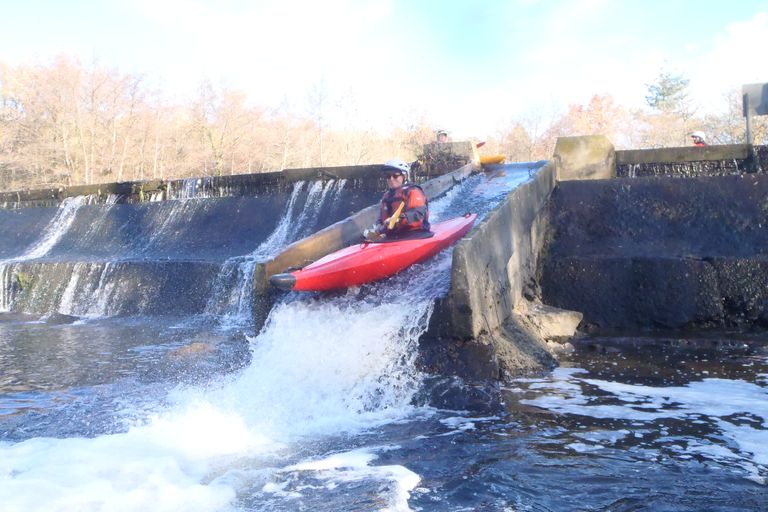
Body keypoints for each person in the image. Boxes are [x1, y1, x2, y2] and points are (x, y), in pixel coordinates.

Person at [364, 159, 430, 241]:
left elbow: (418, 214)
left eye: (395, 176)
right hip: (394, 237)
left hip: (416, 234)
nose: (391, 179)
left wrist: (397, 219)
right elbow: (381, 218)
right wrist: (379, 225)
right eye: (388, 176)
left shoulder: (413, 191)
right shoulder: (386, 196)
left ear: (404, 176)